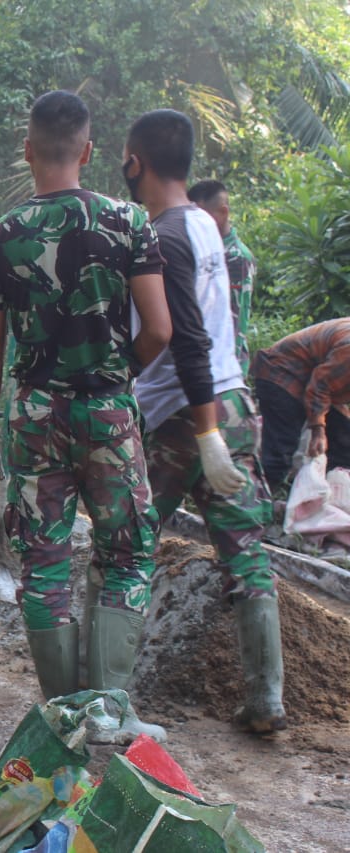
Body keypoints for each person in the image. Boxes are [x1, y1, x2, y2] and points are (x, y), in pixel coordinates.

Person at [0, 91, 173, 741]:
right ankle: (110, 709)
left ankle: (64, 719)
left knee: (45, 560)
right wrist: (115, 379)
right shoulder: (129, 223)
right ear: (88, 151)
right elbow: (161, 329)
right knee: (126, 551)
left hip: (33, 417)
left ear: (28, 151)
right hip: (108, 410)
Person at [124, 107, 286, 734]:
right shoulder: (204, 224)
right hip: (235, 405)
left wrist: (205, 432)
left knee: (129, 548)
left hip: (183, 418)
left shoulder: (161, 235)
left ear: (135, 162)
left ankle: (105, 689)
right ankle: (266, 698)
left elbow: (187, 340)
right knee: (246, 551)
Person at [251, 319, 350, 490]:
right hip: (281, 375)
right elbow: (320, 385)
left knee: (345, 443)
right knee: (279, 455)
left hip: (313, 381)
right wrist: (318, 431)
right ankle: (258, 505)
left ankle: (329, 497)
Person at [188, 180, 256, 371]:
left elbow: (233, 319)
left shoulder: (236, 258)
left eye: (202, 215)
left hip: (224, 367)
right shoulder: (206, 247)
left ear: (223, 213)